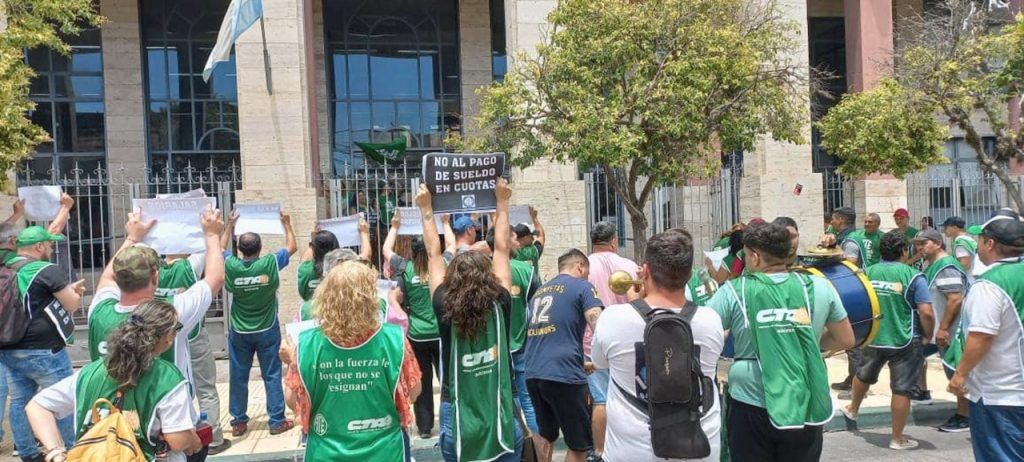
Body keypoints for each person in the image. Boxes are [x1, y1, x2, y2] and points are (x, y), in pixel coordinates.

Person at [708, 222, 854, 461]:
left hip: (750, 399)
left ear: (755, 257)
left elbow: (703, 333)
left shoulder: (735, 290)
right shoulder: (819, 286)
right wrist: (804, 340)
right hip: (805, 397)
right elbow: (845, 339)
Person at [591, 229, 723, 462]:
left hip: (631, 453)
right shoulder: (710, 320)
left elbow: (599, 362)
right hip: (699, 449)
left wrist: (637, 303)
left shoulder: (612, 318)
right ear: (689, 274)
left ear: (645, 271)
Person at [417, 179, 523, 462]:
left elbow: (433, 254)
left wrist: (426, 210)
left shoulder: (444, 304)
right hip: (501, 410)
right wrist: (502, 203)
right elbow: (502, 249)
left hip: (457, 416)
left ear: (451, 280)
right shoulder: (500, 302)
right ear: (489, 276)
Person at [28, 300, 204, 462]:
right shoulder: (167, 377)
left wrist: (56, 452)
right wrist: (192, 438)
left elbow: (37, 406)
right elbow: (177, 441)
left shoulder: (89, 373)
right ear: (168, 337)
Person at [282, 260, 423, 461]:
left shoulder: (306, 344)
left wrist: (292, 362)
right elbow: (414, 391)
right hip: (386, 451)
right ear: (371, 297)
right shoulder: (395, 339)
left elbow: (292, 400)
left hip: (326, 452)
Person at [88, 209, 224, 388]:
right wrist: (212, 235)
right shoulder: (173, 312)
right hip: (164, 401)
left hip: (107, 403)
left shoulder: (98, 311)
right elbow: (215, 278)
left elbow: (107, 277)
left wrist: (132, 238)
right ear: (155, 278)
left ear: (118, 277)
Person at [0, 225, 87, 462]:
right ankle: (74, 450)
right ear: (39, 246)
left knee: (20, 401)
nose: (51, 248)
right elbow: (71, 305)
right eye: (49, 244)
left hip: (9, 348)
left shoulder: (5, 268)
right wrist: (75, 292)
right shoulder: (47, 270)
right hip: (44, 350)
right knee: (64, 399)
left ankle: (28, 453)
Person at [841, 231, 934, 450]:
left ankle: (853, 409)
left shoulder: (867, 273)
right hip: (904, 339)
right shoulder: (913, 276)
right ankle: (897, 438)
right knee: (901, 389)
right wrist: (928, 335)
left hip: (873, 336)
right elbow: (926, 312)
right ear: (904, 251)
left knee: (863, 374)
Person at [947, 210, 1024, 461]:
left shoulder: (989, 285)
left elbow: (981, 336)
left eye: (979, 239)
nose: (976, 244)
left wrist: (960, 374)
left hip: (1000, 394)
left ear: (990, 243)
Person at [221, 209, 297, 437]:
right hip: (267, 328)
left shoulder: (232, 265)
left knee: (238, 375)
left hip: (240, 330)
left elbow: (218, 250)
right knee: (272, 374)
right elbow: (292, 247)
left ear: (239, 249)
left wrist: (229, 225)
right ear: (260, 247)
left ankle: (238, 421)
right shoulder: (269, 263)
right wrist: (286, 223)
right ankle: (276, 421)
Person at [523, 249, 603, 462]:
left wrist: (581, 362)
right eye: (587, 273)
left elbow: (549, 336)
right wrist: (606, 355)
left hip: (534, 372)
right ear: (580, 267)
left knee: (546, 437)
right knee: (579, 445)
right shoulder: (583, 286)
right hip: (565, 375)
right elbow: (597, 323)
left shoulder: (540, 292)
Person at [155, 250, 230, 455]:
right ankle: (212, 438)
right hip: (193, 336)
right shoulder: (189, 266)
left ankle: (170, 434)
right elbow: (213, 250)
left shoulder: (151, 270)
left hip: (163, 339)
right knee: (206, 389)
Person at [382, 210, 443, 439]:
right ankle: (451, 420)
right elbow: (452, 248)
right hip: (439, 333)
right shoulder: (439, 266)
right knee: (447, 381)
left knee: (422, 381)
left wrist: (395, 226)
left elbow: (386, 250)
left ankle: (425, 427)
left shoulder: (405, 267)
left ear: (412, 250)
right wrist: (445, 223)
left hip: (417, 335)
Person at [584, 221, 637, 460]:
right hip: (627, 342)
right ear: (614, 241)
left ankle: (599, 451)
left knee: (600, 400)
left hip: (593, 342)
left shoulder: (584, 268)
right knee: (629, 396)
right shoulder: (629, 266)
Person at [484, 225, 542, 437]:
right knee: (528, 400)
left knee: (503, 399)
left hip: (493, 349)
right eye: (514, 238)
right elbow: (537, 307)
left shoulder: (481, 271)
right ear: (505, 242)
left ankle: (512, 442)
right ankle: (537, 448)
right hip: (521, 345)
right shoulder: (526, 271)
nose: (518, 242)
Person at [912, 229, 970, 428]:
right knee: (916, 355)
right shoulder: (934, 265)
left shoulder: (945, 267)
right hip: (937, 330)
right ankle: (921, 392)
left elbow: (955, 299)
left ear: (937, 243)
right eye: (917, 244)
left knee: (955, 370)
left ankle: (964, 415)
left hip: (950, 332)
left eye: (923, 243)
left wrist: (943, 328)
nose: (919, 248)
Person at [297, 221, 371, 320]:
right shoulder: (347, 267)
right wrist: (364, 233)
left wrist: (314, 239)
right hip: (343, 316)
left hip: (313, 317)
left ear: (313, 248)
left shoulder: (305, 269)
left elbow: (305, 257)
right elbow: (366, 254)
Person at [514, 207, 546, 271]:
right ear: (525, 237)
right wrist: (534, 218)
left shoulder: (509, 253)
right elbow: (540, 236)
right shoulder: (532, 251)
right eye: (531, 236)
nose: (533, 238)